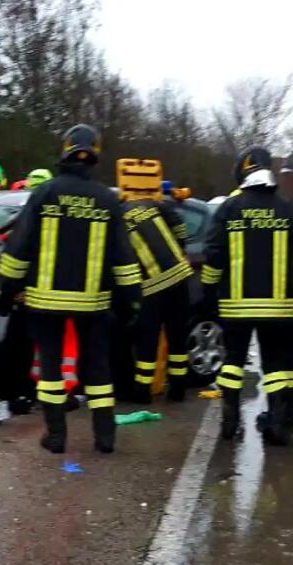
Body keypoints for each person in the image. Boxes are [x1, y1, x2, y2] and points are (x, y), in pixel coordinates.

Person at [0, 124, 142, 454]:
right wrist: (133, 301)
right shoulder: (107, 199)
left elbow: (18, 249)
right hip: (93, 303)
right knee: (99, 368)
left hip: (45, 302)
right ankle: (105, 438)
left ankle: (57, 436)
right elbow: (124, 258)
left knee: (50, 369)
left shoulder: (44, 193)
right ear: (95, 156)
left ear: (65, 151)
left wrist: (5, 294)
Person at [200, 146, 293, 443]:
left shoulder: (229, 208)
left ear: (243, 171)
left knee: (233, 361)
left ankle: (229, 423)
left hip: (235, 306)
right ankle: (277, 426)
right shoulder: (286, 209)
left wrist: (208, 293)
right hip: (279, 307)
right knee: (278, 365)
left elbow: (213, 254)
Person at [118, 167, 194, 404]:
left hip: (153, 284)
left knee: (148, 338)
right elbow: (179, 225)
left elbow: (122, 257)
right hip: (180, 276)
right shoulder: (153, 205)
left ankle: (142, 391)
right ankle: (178, 388)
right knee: (177, 334)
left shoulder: (118, 219)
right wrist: (180, 248)